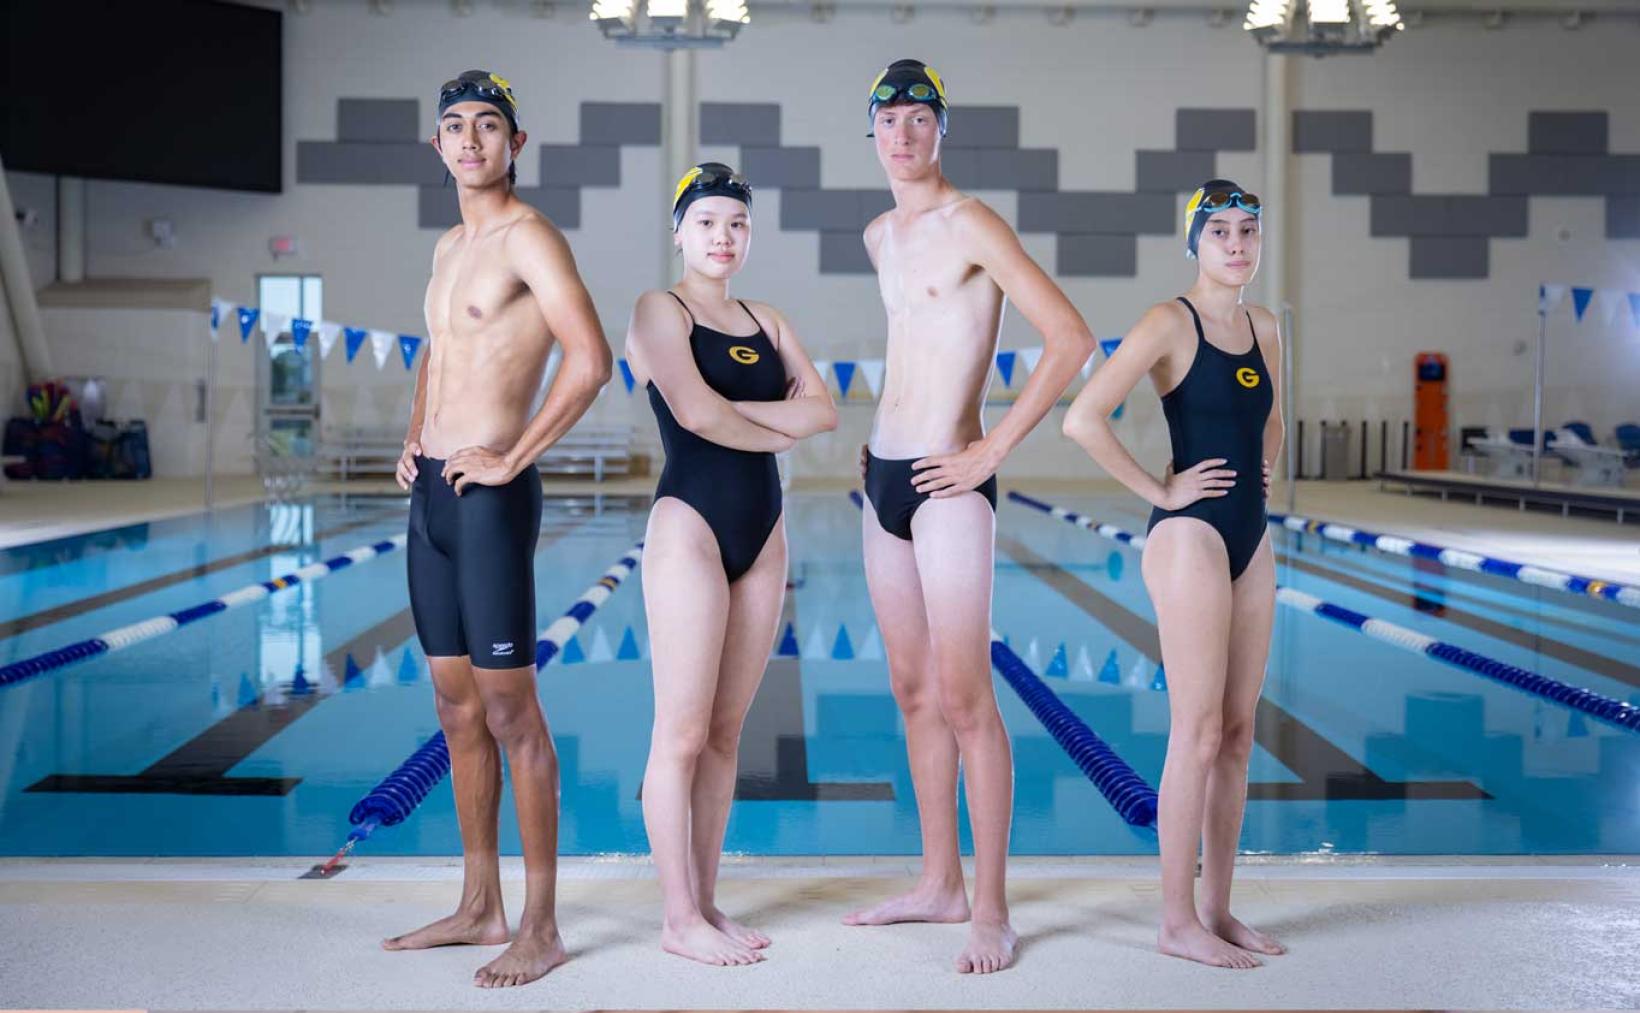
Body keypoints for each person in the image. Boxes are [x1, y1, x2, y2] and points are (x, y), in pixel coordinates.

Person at [846, 60, 1096, 975]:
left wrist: (994, 449)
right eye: (890, 119)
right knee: (913, 693)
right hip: (882, 474)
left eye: (920, 118)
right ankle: (937, 882)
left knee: (965, 696)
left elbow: (1070, 336)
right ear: (869, 132)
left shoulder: (973, 222)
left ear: (940, 130)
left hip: (952, 480)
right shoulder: (880, 234)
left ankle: (990, 906)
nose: (904, 133)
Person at [385, 69, 613, 989]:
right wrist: (413, 437)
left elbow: (591, 358)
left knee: (512, 708)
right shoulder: (447, 248)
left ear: (516, 143)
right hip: (432, 496)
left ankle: (541, 923)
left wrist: (514, 454)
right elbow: (441, 350)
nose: (470, 139)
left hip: (489, 497)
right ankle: (478, 904)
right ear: (436, 146)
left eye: (488, 125)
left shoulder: (531, 238)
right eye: (454, 126)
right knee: (453, 706)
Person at [1062, 179, 1285, 969]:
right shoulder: (1169, 321)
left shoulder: (1264, 325)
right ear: (1194, 241)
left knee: (1236, 730)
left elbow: (1273, 427)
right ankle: (1174, 918)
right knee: (1195, 730)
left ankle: (1219, 909)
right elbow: (1082, 418)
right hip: (1189, 535)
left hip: (1250, 536)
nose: (1235, 243)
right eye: (1219, 230)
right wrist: (1161, 490)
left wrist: (1257, 492)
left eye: (1247, 231)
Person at [624, 162, 838, 966]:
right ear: (679, 230)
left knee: (723, 732)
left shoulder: (767, 318)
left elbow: (825, 409)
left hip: (764, 534)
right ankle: (677, 919)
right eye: (707, 221)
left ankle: (705, 902)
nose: (723, 236)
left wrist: (744, 418)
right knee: (679, 731)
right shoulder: (659, 309)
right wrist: (779, 425)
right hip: (691, 526)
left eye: (737, 224)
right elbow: (691, 411)